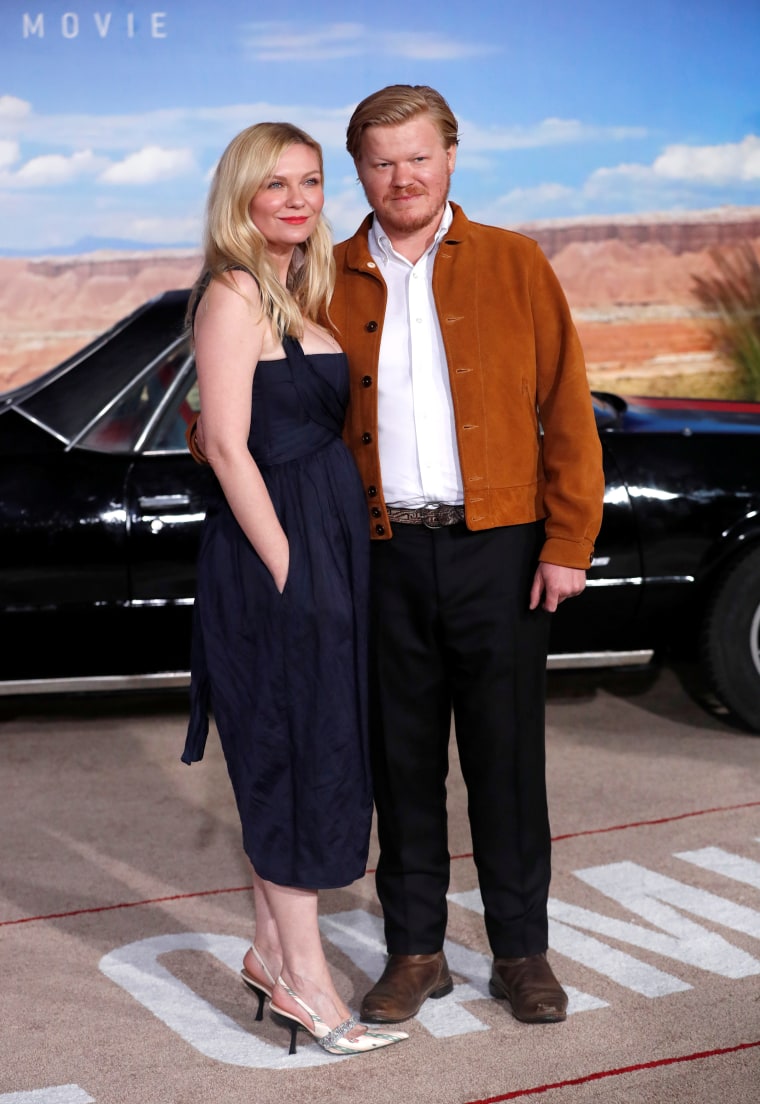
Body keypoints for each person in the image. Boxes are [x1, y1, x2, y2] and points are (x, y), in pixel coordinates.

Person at [190, 85, 605, 1028]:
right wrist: (214, 436)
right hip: (375, 552)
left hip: (498, 548)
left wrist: (569, 542)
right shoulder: (321, 271)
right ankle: (415, 950)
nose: (401, 176)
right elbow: (262, 405)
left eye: (418, 156)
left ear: (451, 156)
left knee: (506, 760)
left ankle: (521, 953)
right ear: (363, 174)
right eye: (380, 162)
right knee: (399, 761)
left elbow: (568, 410)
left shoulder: (515, 263)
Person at [180, 121, 407, 1057]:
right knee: (288, 753)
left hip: (328, 546)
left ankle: (273, 952)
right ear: (240, 194)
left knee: (320, 745)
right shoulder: (234, 293)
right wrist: (286, 563)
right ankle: (310, 986)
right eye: (274, 183)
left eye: (310, 181)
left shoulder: (304, 293)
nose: (296, 198)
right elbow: (227, 445)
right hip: (275, 556)